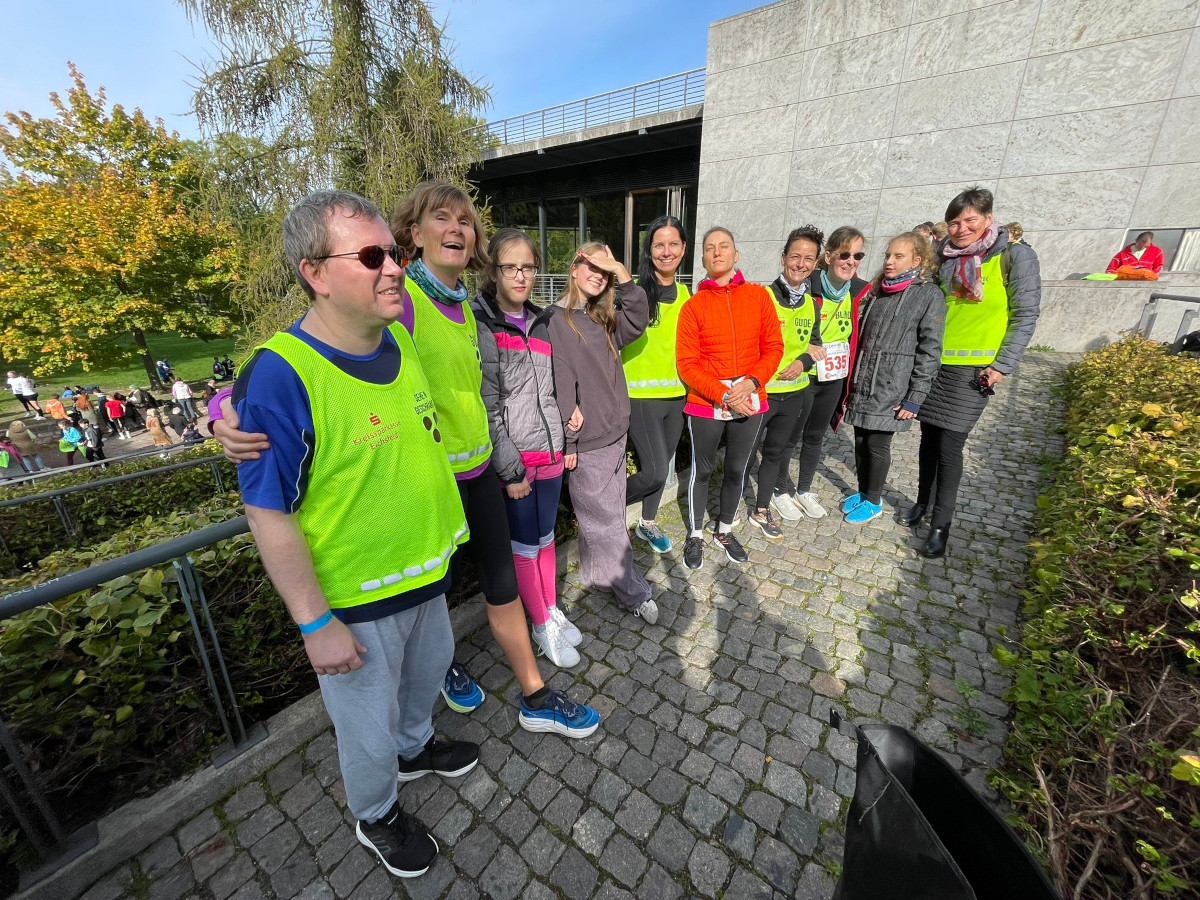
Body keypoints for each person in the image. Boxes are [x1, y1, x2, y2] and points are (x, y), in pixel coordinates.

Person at [213, 181, 600, 738]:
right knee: (436, 594)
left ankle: (534, 693)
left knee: (500, 586)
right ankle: (444, 673)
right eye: (441, 218)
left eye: (465, 221)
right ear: (414, 234)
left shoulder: (468, 305)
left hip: (478, 473)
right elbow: (314, 346)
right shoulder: (398, 299)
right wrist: (221, 411)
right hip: (430, 479)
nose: (457, 228)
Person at [230, 190, 482, 880]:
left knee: (426, 677)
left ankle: (415, 747)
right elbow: (268, 511)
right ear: (315, 272)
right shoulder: (281, 375)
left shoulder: (395, 335)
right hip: (358, 600)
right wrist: (315, 623)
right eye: (372, 256)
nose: (394, 268)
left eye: (392, 253)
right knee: (364, 727)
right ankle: (376, 813)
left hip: (425, 570)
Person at [906, 186, 1041, 557]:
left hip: (974, 373)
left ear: (988, 219)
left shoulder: (1014, 256)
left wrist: (1002, 365)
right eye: (954, 222)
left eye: (970, 220)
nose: (961, 228)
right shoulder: (942, 257)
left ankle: (941, 525)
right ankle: (922, 501)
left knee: (950, 446)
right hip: (934, 363)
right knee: (928, 439)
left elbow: (1025, 314)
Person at [473, 229, 581, 668]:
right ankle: (539, 624)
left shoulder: (541, 321)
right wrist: (510, 469)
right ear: (493, 271)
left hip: (550, 452)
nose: (520, 276)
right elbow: (487, 404)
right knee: (524, 546)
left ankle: (550, 608)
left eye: (528, 267)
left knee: (546, 537)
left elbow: (554, 387)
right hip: (517, 462)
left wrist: (566, 432)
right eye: (510, 267)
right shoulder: (483, 323)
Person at [548, 241, 658, 622]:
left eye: (604, 270)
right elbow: (560, 381)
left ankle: (597, 574)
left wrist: (622, 272)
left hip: (615, 431)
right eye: (591, 266)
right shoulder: (556, 320)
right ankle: (634, 593)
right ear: (574, 268)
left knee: (604, 515)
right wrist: (569, 440)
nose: (598, 275)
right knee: (606, 522)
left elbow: (639, 318)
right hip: (588, 441)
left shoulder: (602, 318)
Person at [676, 226, 784, 569]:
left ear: (736, 255)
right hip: (706, 402)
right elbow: (687, 364)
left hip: (750, 399)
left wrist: (751, 383)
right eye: (710, 248)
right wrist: (724, 394)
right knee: (702, 470)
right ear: (703, 259)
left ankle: (724, 530)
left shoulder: (759, 297)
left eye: (724, 246)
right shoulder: (693, 307)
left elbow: (774, 347)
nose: (717, 252)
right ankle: (695, 533)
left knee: (737, 469)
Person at [840, 232, 945, 523]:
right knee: (861, 439)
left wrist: (915, 397)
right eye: (888, 255)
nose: (889, 261)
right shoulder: (880, 291)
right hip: (864, 378)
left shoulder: (928, 295)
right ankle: (864, 492)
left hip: (893, 384)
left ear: (917, 260)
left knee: (877, 444)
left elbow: (930, 349)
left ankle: (874, 501)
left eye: (899, 256)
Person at [781, 226, 872, 520]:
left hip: (833, 376)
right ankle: (780, 490)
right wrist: (806, 346)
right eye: (844, 254)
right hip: (805, 374)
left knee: (815, 436)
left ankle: (804, 489)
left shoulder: (858, 292)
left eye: (857, 256)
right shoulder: (809, 285)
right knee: (790, 436)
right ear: (829, 256)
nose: (850, 261)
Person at [751, 226, 827, 535]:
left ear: (816, 263)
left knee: (774, 453)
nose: (801, 264)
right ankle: (727, 514)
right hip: (761, 392)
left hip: (794, 393)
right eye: (795, 256)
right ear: (783, 258)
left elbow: (816, 345)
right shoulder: (763, 297)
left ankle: (761, 509)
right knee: (745, 455)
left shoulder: (812, 304)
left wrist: (803, 362)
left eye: (809, 259)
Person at [621, 215, 689, 554]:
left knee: (664, 466)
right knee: (656, 472)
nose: (666, 251)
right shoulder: (632, 292)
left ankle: (647, 523)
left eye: (673, 244)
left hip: (677, 396)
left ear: (683, 249)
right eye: (659, 244)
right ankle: (600, 507)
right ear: (649, 250)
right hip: (641, 396)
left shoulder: (688, 295)